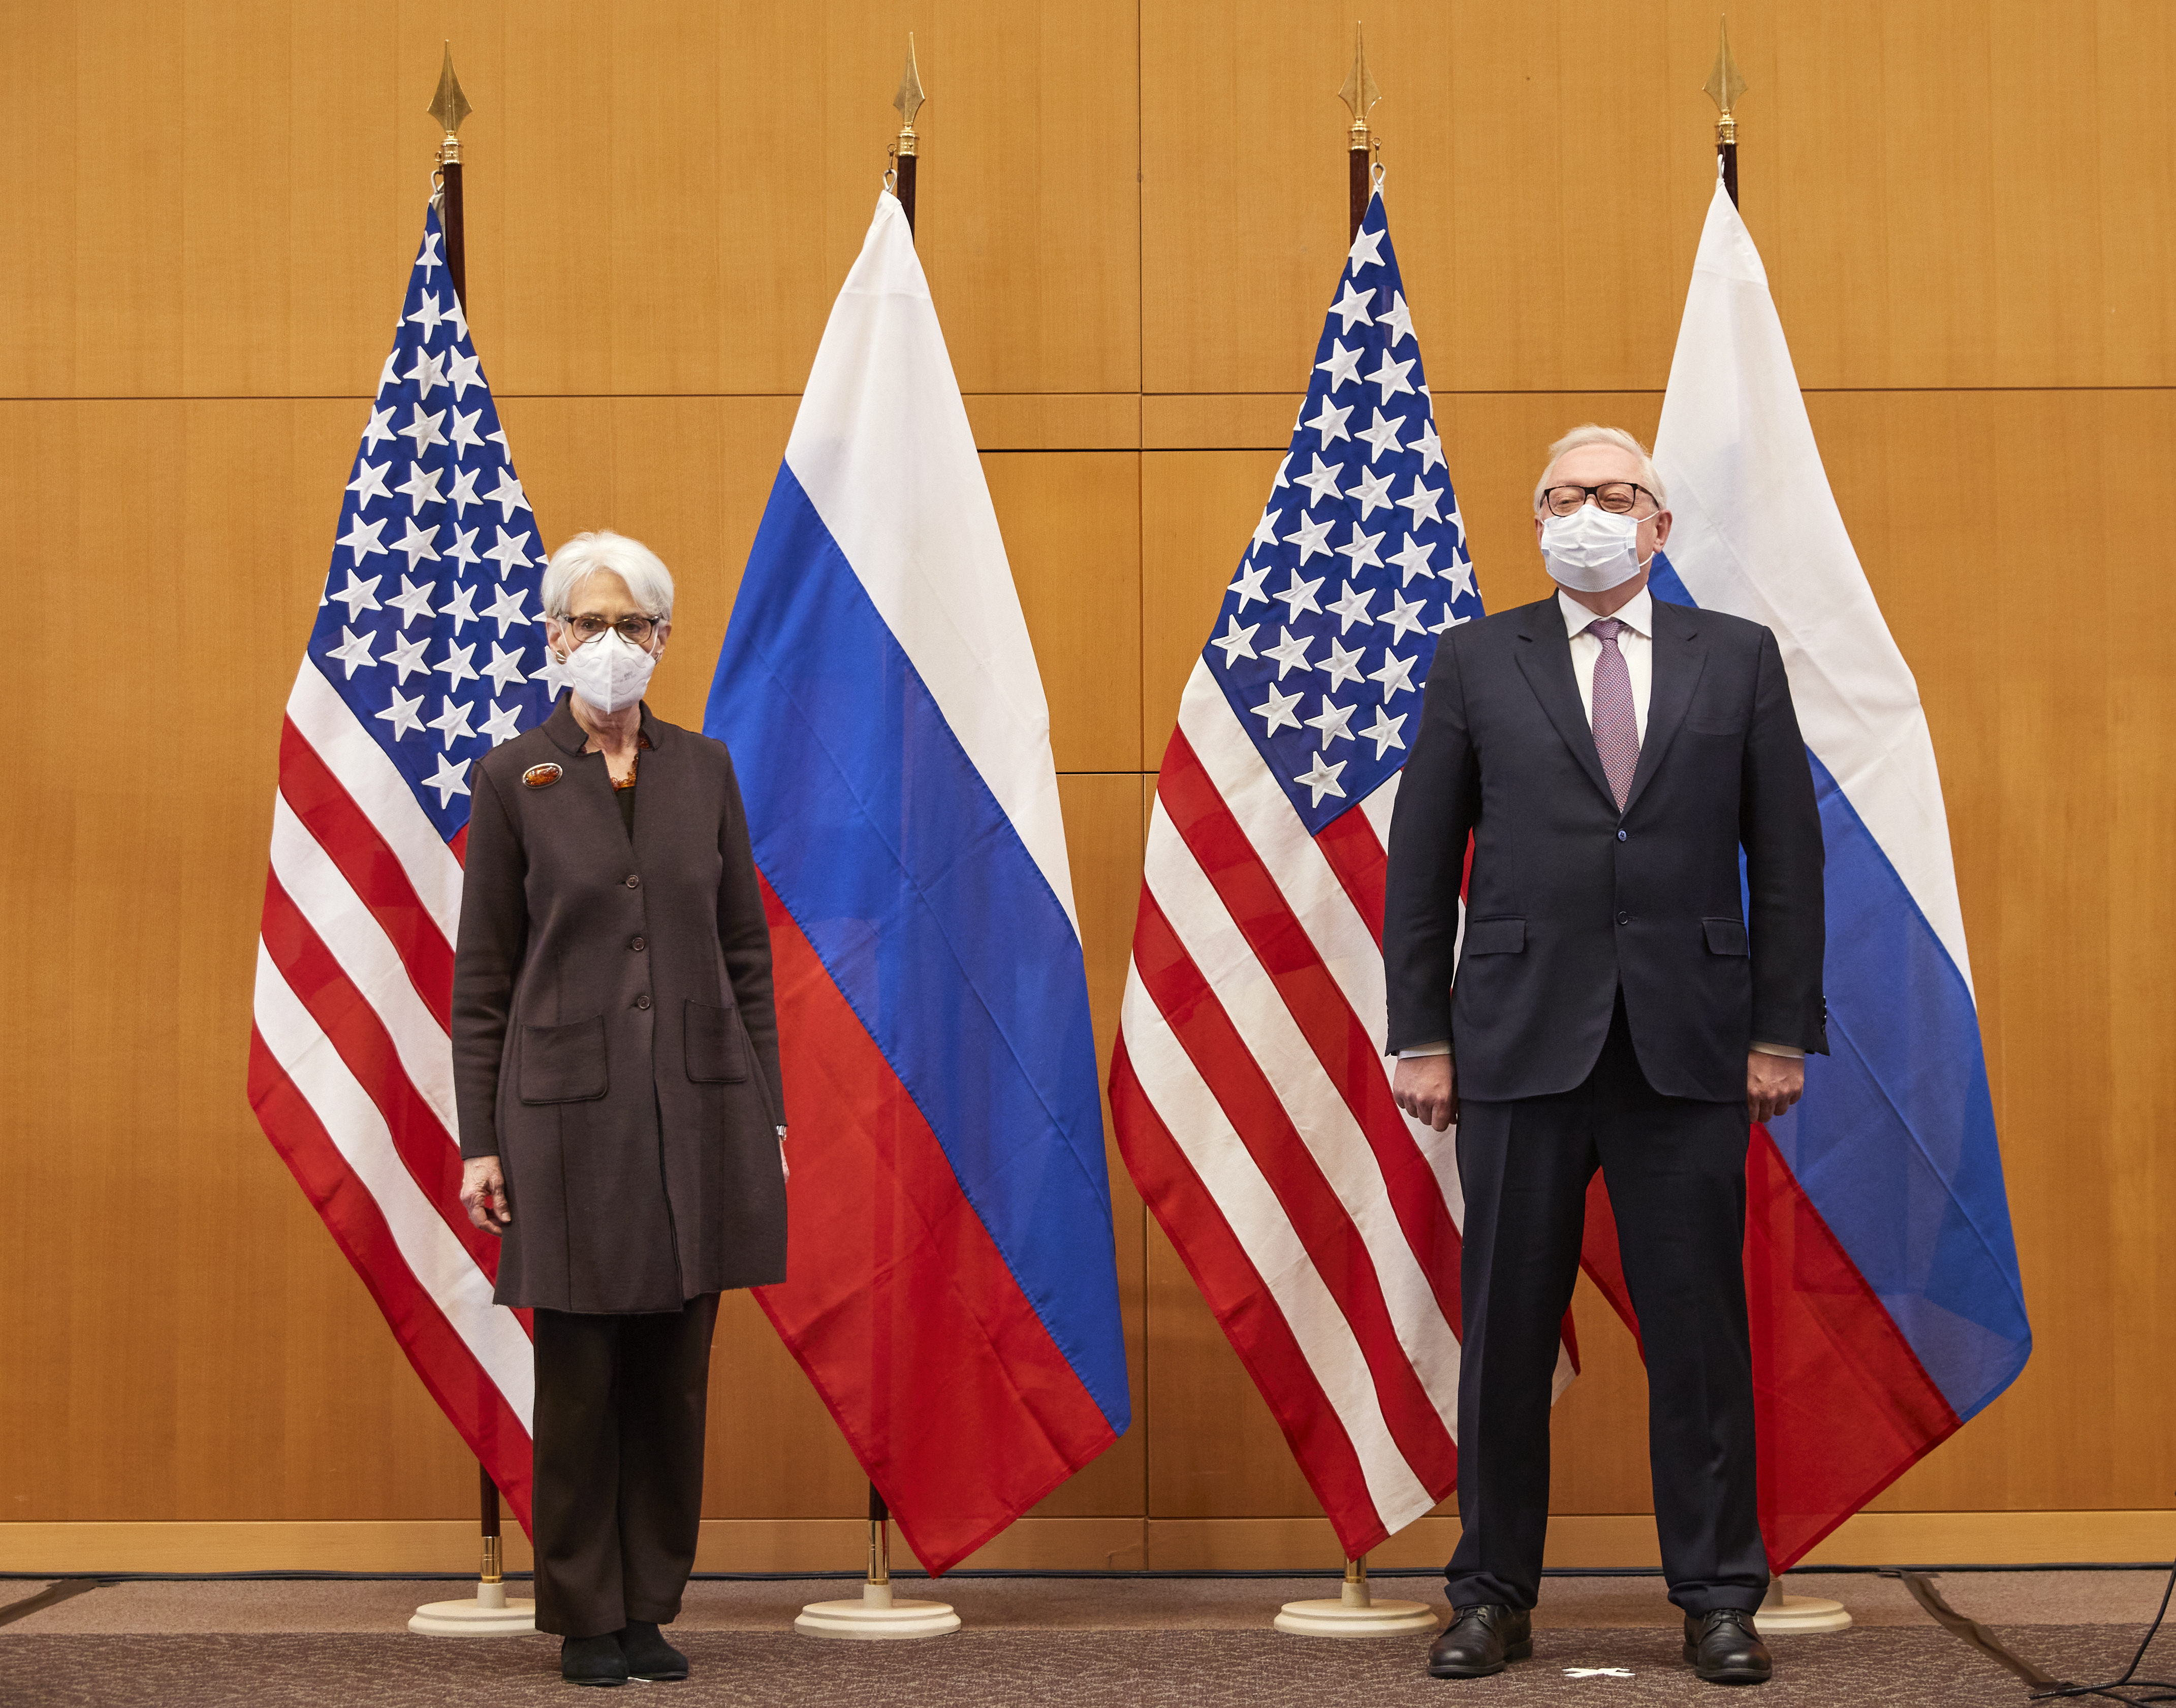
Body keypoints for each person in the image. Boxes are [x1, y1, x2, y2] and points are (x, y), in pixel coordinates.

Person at [1384, 426, 1825, 1686]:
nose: (1592, 509)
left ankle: (1719, 1598)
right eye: (1568, 494)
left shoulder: (1735, 659)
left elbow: (1788, 859)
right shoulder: (1476, 658)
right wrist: (1421, 1032)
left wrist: (1780, 1027)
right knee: (1506, 1336)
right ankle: (1490, 1595)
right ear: (1537, 520)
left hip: (1689, 1046)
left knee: (1698, 1338)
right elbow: (1421, 866)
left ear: (1658, 524)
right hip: (1516, 1046)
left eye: (1617, 493)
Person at [451, 530, 788, 1688]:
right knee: (585, 1377)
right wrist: (479, 1142)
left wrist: (769, 1113)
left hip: (700, 1113)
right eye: (586, 623)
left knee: (674, 1376)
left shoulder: (706, 769)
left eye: (630, 625)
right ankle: (587, 1613)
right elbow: (483, 976)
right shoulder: (515, 776)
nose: (608, 644)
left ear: (662, 640)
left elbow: (746, 950)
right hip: (563, 1122)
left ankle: (651, 1605)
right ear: (553, 639)